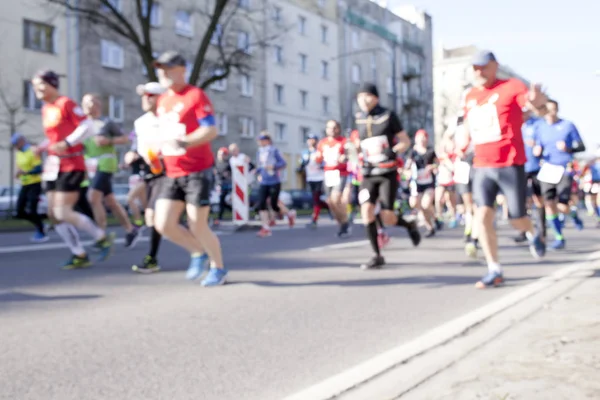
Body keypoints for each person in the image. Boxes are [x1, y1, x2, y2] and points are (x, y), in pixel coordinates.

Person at [458, 51, 546, 289]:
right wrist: (459, 142)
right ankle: (494, 268)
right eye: (475, 68)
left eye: (484, 67)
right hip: (482, 166)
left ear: (494, 66)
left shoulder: (511, 86)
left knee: (516, 218)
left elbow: (530, 104)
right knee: (482, 215)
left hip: (510, 163)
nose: (479, 72)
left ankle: (532, 231)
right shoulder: (470, 96)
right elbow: (468, 125)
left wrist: (537, 100)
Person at [152, 51, 227, 286]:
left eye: (168, 67)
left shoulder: (195, 95)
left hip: (197, 170)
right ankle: (198, 252)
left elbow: (210, 130)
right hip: (172, 172)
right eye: (160, 68)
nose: (163, 72)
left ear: (182, 69)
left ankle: (218, 268)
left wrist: (185, 142)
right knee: (163, 224)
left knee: (197, 223)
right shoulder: (163, 100)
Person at [31, 69, 114, 269]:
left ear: (52, 84)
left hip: (71, 163)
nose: (37, 90)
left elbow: (86, 126)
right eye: (33, 86)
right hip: (53, 164)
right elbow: (54, 139)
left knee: (63, 211)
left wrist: (68, 142)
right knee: (53, 214)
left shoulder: (65, 103)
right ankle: (79, 254)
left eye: (40, 85)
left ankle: (101, 237)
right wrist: (42, 147)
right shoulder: (46, 108)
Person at [354, 82, 421, 270]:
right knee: (366, 210)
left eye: (367, 96)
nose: (363, 100)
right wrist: (356, 151)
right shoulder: (358, 118)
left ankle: (409, 225)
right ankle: (377, 255)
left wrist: (392, 150)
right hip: (368, 172)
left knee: (387, 217)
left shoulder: (388, 115)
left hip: (386, 172)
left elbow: (405, 141)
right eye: (359, 97)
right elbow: (360, 144)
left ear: (376, 98)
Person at [81, 93, 140, 248]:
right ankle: (130, 229)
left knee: (93, 198)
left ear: (97, 104)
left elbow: (126, 138)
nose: (86, 106)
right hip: (91, 166)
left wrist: (109, 140)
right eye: (83, 103)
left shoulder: (106, 123)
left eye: (89, 102)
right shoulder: (84, 125)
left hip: (106, 164)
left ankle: (101, 235)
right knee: (111, 202)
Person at [533, 99, 585, 249]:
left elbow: (581, 146)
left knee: (562, 206)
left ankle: (573, 215)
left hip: (564, 168)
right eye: (548, 110)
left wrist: (568, 148)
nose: (551, 113)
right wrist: (537, 150)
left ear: (557, 110)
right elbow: (538, 146)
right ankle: (559, 237)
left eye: (553, 109)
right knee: (548, 203)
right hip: (548, 168)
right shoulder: (540, 127)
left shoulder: (568, 125)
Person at [129, 82, 167, 273]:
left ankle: (202, 251)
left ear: (160, 98)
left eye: (150, 95)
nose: (145, 98)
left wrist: (164, 154)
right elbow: (139, 146)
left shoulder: (169, 119)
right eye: (143, 95)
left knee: (156, 216)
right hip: (150, 173)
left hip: (170, 172)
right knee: (153, 216)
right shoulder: (140, 122)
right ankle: (152, 257)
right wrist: (133, 154)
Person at [255, 133, 296, 237]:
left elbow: (283, 163)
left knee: (274, 204)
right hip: (264, 181)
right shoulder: (259, 152)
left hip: (274, 181)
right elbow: (260, 166)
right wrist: (256, 171)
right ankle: (266, 228)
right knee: (261, 204)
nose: (260, 142)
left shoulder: (274, 150)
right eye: (259, 140)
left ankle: (289, 214)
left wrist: (273, 166)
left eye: (263, 139)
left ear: (268, 140)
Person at [514, 109, 546, 243]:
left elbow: (545, 139)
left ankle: (542, 231)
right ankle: (523, 230)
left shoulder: (537, 124)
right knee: (520, 199)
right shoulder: (513, 124)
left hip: (535, 167)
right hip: (518, 166)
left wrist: (539, 146)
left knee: (539, 199)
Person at [316, 120, 351, 237]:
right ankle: (342, 223)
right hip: (328, 174)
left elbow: (350, 155)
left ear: (338, 129)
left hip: (340, 173)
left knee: (336, 199)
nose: (331, 130)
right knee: (330, 203)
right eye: (329, 127)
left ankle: (345, 221)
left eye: (334, 127)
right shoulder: (322, 143)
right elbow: (318, 159)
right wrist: (317, 158)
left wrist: (344, 158)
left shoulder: (343, 141)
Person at [12, 133, 47, 242]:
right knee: (19, 212)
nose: (14, 146)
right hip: (25, 184)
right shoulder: (18, 153)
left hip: (35, 184)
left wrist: (26, 172)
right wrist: (18, 173)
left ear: (22, 141)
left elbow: (39, 169)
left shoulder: (32, 151)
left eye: (15, 143)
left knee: (32, 208)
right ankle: (40, 223)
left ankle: (41, 232)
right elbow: (20, 168)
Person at [406, 129, 438, 237]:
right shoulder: (413, 152)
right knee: (415, 203)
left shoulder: (431, 151)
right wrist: (407, 172)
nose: (422, 140)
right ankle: (430, 227)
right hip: (417, 182)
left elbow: (437, 164)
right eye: (420, 138)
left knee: (426, 204)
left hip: (428, 182)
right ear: (416, 139)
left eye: (424, 138)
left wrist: (432, 167)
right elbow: (407, 166)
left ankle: (435, 218)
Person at [297, 133, 328, 228]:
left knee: (316, 198)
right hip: (310, 178)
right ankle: (330, 208)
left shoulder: (320, 151)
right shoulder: (305, 153)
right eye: (309, 139)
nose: (311, 141)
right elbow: (301, 165)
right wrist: (301, 166)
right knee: (316, 199)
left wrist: (321, 164)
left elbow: (324, 163)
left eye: (313, 139)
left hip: (319, 178)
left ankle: (314, 219)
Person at [213, 147, 233, 226]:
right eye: (220, 154)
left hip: (225, 185)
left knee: (222, 200)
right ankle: (232, 211)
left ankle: (219, 218)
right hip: (217, 184)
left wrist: (227, 175)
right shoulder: (216, 163)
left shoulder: (227, 163)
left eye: (223, 154)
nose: (221, 156)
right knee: (222, 202)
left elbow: (231, 174)